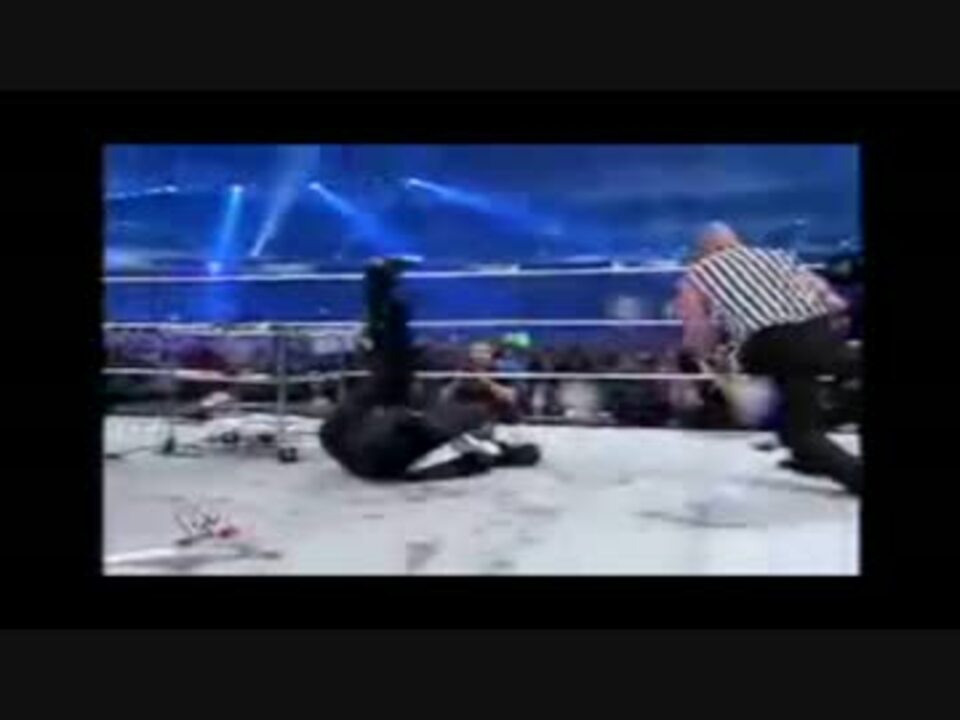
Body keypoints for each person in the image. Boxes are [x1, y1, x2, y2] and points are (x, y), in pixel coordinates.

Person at [674, 222, 861, 494]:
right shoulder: (777, 256)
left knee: (800, 430)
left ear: (704, 249)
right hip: (817, 330)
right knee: (806, 400)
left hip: (771, 345)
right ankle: (812, 455)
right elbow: (833, 301)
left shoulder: (698, 274)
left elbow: (698, 330)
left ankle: (848, 471)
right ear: (737, 240)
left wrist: (709, 361)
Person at [319, 259, 541, 482]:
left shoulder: (454, 427)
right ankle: (383, 291)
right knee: (394, 368)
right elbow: (445, 457)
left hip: (361, 445)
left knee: (393, 371)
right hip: (358, 444)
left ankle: (382, 289)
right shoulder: (462, 426)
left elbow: (440, 454)